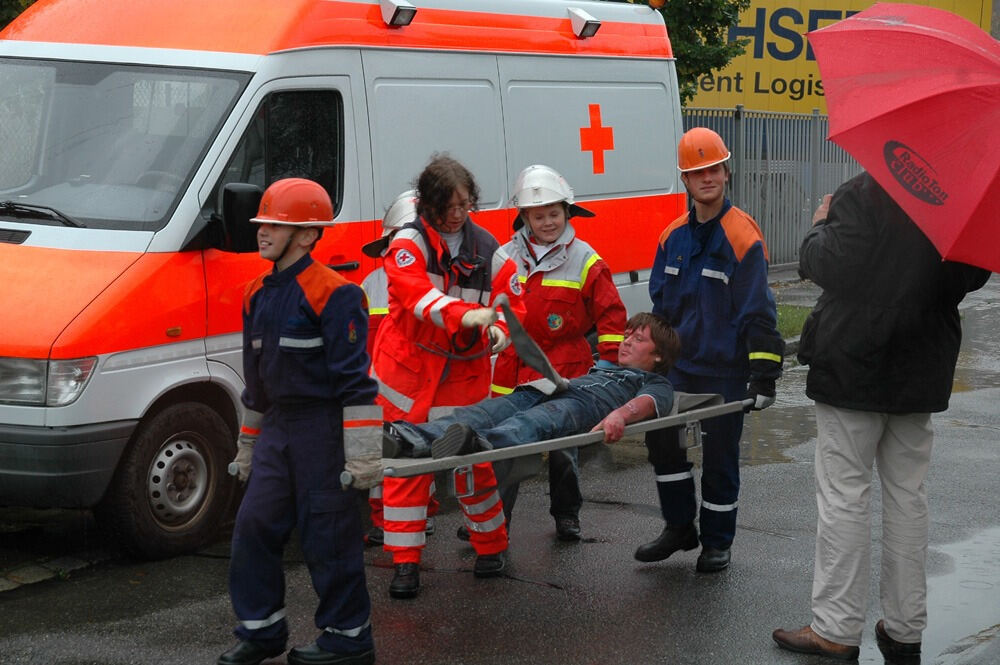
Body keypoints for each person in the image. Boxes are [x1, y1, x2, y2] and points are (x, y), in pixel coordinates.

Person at [772, 172, 990, 663]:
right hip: (922, 365)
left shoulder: (864, 192)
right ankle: (905, 626)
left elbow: (830, 264)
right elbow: (972, 275)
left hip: (854, 363)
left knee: (845, 497)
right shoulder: (958, 199)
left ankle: (835, 628)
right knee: (908, 497)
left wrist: (820, 225)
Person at [221, 178, 379, 665]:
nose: (263, 232)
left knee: (327, 536)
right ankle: (261, 630)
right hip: (278, 432)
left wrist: (363, 457)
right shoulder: (256, 294)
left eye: (275, 225)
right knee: (253, 527)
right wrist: (248, 446)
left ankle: (348, 639)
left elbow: (358, 385)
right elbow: (256, 386)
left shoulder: (336, 294)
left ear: (309, 235)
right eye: (262, 223)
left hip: (323, 432)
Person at [369, 154, 525, 599]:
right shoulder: (408, 244)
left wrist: (500, 328)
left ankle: (491, 547)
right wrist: (472, 314)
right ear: (429, 205)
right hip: (409, 373)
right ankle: (405, 564)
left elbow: (514, 303)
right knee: (406, 467)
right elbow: (419, 299)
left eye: (464, 205)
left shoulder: (489, 250)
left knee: (472, 464)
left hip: (462, 374)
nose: (458, 214)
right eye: (449, 206)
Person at [639, 127, 784, 574]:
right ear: (685, 180)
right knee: (662, 443)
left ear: (727, 171)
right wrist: (649, 362)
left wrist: (763, 375)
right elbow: (660, 308)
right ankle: (680, 526)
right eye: (698, 172)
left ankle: (717, 542)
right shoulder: (672, 237)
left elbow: (758, 311)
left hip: (724, 370)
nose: (708, 178)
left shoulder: (743, 235)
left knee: (720, 458)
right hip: (679, 368)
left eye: (714, 169)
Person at [490, 164, 626, 541]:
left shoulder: (584, 258)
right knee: (505, 446)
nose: (548, 222)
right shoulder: (504, 257)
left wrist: (611, 368)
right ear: (524, 217)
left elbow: (612, 314)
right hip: (513, 367)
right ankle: (493, 523)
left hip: (565, 366)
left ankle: (567, 515)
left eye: (554, 213)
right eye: (539, 215)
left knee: (565, 449)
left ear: (567, 212)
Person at [385, 312, 679, 460]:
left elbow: (648, 404)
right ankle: (406, 438)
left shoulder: (655, 382)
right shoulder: (603, 365)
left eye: (638, 339)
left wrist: (620, 416)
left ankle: (478, 445)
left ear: (658, 355)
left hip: (581, 406)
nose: (626, 341)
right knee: (480, 413)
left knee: (532, 422)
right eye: (627, 335)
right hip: (548, 389)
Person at [359, 190, 439, 548]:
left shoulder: (437, 284)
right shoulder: (370, 286)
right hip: (378, 392)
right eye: (397, 239)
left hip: (421, 392)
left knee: (419, 456)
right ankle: (381, 520)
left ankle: (423, 514)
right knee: (379, 461)